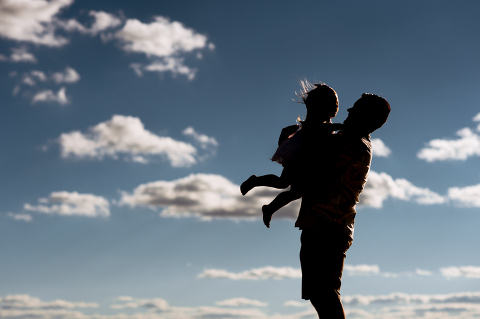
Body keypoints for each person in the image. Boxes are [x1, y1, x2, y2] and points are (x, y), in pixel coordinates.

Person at [296, 93, 390, 318]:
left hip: (327, 227)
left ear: (366, 117)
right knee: (320, 294)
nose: (347, 111)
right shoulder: (350, 140)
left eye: (355, 109)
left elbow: (308, 163)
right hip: (324, 225)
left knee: (324, 293)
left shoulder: (351, 144)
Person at [240, 81, 341, 228]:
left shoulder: (321, 124)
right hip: (298, 161)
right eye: (334, 105)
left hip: (302, 162)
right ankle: (257, 184)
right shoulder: (316, 124)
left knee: (292, 190)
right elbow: (323, 129)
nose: (335, 109)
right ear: (321, 107)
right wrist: (342, 127)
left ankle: (269, 207)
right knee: (285, 185)